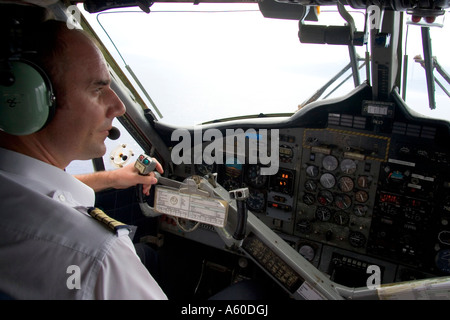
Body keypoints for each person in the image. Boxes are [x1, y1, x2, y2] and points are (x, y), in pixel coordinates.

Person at [0, 14, 167, 299]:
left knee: (150, 256)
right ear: (32, 100)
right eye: (98, 89)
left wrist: (113, 177)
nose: (119, 107)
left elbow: (37, 190)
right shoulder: (99, 256)